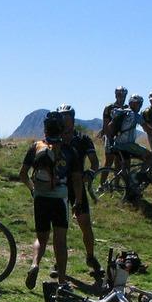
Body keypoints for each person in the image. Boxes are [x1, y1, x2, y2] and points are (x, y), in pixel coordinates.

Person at [19, 111, 83, 290]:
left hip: (40, 197)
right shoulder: (69, 150)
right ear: (61, 129)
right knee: (60, 240)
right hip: (59, 199)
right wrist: (77, 201)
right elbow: (77, 179)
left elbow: (23, 174)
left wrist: (33, 189)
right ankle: (62, 281)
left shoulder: (36, 147)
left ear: (45, 129)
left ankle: (34, 264)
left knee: (41, 238)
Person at [56, 104, 102, 279]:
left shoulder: (82, 139)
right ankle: (58, 263)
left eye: (67, 117)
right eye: (61, 117)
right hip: (59, 186)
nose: (64, 120)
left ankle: (90, 257)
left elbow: (94, 161)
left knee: (85, 224)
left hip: (77, 186)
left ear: (73, 119)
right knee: (60, 228)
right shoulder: (55, 138)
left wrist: (90, 173)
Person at [98, 88, 128, 186]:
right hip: (110, 136)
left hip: (122, 138)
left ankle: (116, 184)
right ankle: (102, 184)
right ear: (116, 95)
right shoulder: (109, 107)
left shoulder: (127, 107)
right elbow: (105, 125)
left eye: (123, 95)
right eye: (119, 95)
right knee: (109, 161)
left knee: (119, 162)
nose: (121, 97)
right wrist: (109, 138)